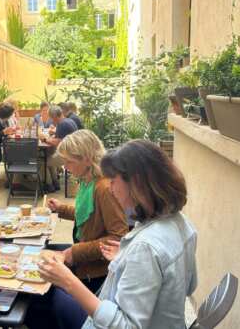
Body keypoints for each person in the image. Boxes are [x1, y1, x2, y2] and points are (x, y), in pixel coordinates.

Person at [38, 140, 198, 329]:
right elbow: (189, 286)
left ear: (136, 182)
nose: (112, 189)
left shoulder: (145, 247)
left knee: (41, 298)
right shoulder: (182, 224)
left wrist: (69, 282)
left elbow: (126, 326)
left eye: (113, 181)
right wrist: (125, 258)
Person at [25, 130, 129, 329]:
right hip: (83, 255)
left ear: (87, 158)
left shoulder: (104, 188)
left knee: (38, 297)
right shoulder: (87, 181)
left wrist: (75, 252)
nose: (65, 167)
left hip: (95, 272)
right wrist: (61, 209)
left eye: (69, 162)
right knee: (38, 264)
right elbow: (88, 215)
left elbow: (119, 237)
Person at [41, 105, 78, 192]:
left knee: (42, 161)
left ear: (55, 116)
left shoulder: (62, 124)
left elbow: (58, 142)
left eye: (51, 118)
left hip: (68, 156)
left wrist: (45, 139)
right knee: (49, 157)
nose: (52, 120)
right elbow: (60, 138)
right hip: (73, 152)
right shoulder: (68, 121)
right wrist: (51, 138)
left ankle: (49, 185)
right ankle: (55, 183)